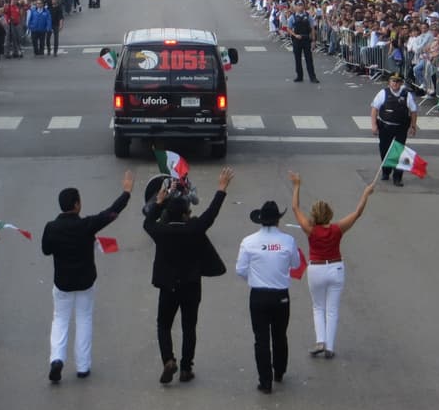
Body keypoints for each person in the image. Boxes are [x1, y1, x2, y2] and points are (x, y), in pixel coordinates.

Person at [41, 171, 134, 382]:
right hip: (85, 282)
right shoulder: (87, 225)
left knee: (60, 320)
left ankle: (57, 359)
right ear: (76, 205)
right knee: (84, 319)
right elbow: (111, 213)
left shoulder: (51, 227)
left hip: (62, 283)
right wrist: (126, 192)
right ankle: (83, 366)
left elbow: (46, 250)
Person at [142, 166, 232, 385]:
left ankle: (168, 360)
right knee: (189, 327)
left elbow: (147, 222)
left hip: (168, 286)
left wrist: (158, 202)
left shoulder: (161, 231)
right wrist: (221, 189)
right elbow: (211, 214)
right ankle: (185, 368)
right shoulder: (193, 228)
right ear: (185, 214)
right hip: (191, 285)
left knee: (164, 325)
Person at [288, 171, 376, 358]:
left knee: (318, 307)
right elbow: (357, 213)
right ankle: (330, 347)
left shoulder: (310, 230)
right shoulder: (337, 229)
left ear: (314, 215)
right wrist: (365, 194)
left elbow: (295, 208)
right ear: (329, 214)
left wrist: (297, 185)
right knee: (332, 309)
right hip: (335, 268)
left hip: (316, 269)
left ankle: (320, 341)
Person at [235, 198, 301, 394]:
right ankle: (279, 371)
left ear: (260, 220)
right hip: (281, 296)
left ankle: (265, 382)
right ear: (278, 220)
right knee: (280, 335)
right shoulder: (288, 241)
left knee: (261, 339)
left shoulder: (248, 242)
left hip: (258, 296)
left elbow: (240, 270)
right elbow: (296, 264)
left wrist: (255, 277)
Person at [371, 72, 418, 186]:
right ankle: (386, 171)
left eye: (398, 81)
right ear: (389, 82)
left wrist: (413, 126)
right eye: (393, 81)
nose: (395, 83)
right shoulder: (383, 93)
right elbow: (374, 109)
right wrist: (374, 125)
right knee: (384, 150)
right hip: (385, 127)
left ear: (401, 83)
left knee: (398, 151)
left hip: (401, 127)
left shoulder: (407, 95)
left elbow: (413, 111)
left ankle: (397, 177)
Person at [287, 1, 319, 84]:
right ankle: (299, 76)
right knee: (297, 59)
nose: (300, 7)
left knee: (309, 59)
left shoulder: (308, 16)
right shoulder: (293, 17)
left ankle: (312, 77)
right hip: (297, 40)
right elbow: (288, 28)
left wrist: (313, 40)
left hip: (306, 39)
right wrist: (295, 35)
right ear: (296, 7)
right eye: (299, 5)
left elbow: (312, 28)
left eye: (301, 5)